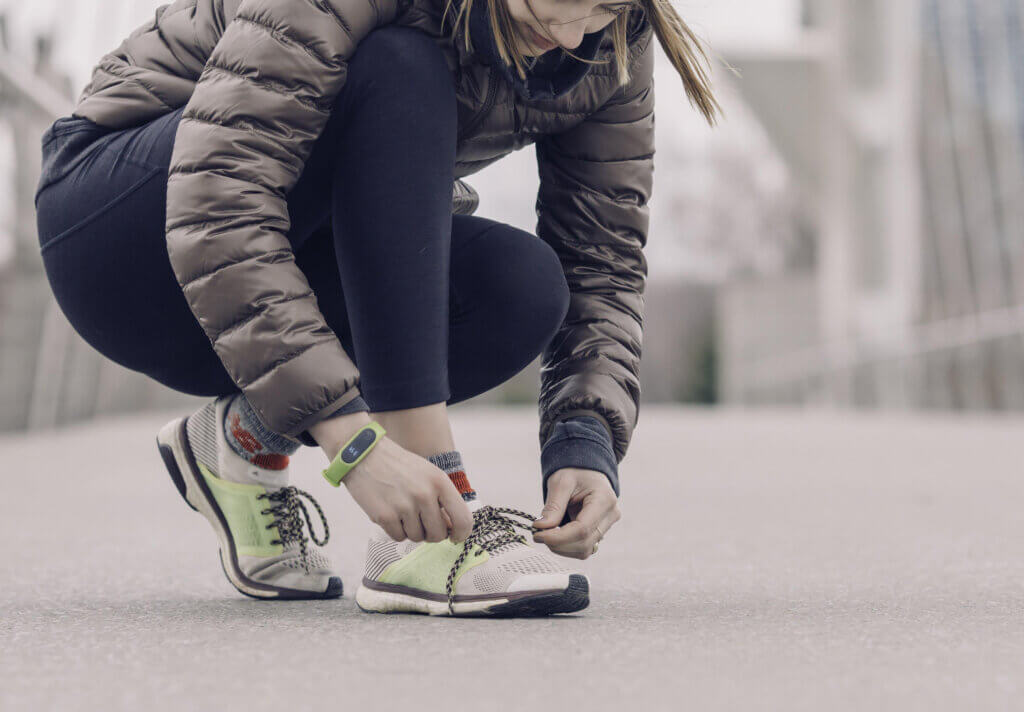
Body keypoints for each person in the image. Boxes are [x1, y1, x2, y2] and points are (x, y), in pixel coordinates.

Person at [33, 0, 719, 616]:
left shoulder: (611, 42)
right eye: (562, 3)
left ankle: (242, 439)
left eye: (600, 8)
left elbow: (600, 258)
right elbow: (220, 200)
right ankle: (428, 531)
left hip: (284, 253)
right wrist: (353, 443)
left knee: (520, 287)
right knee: (400, 63)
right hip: (122, 237)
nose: (571, 35)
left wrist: (586, 443)